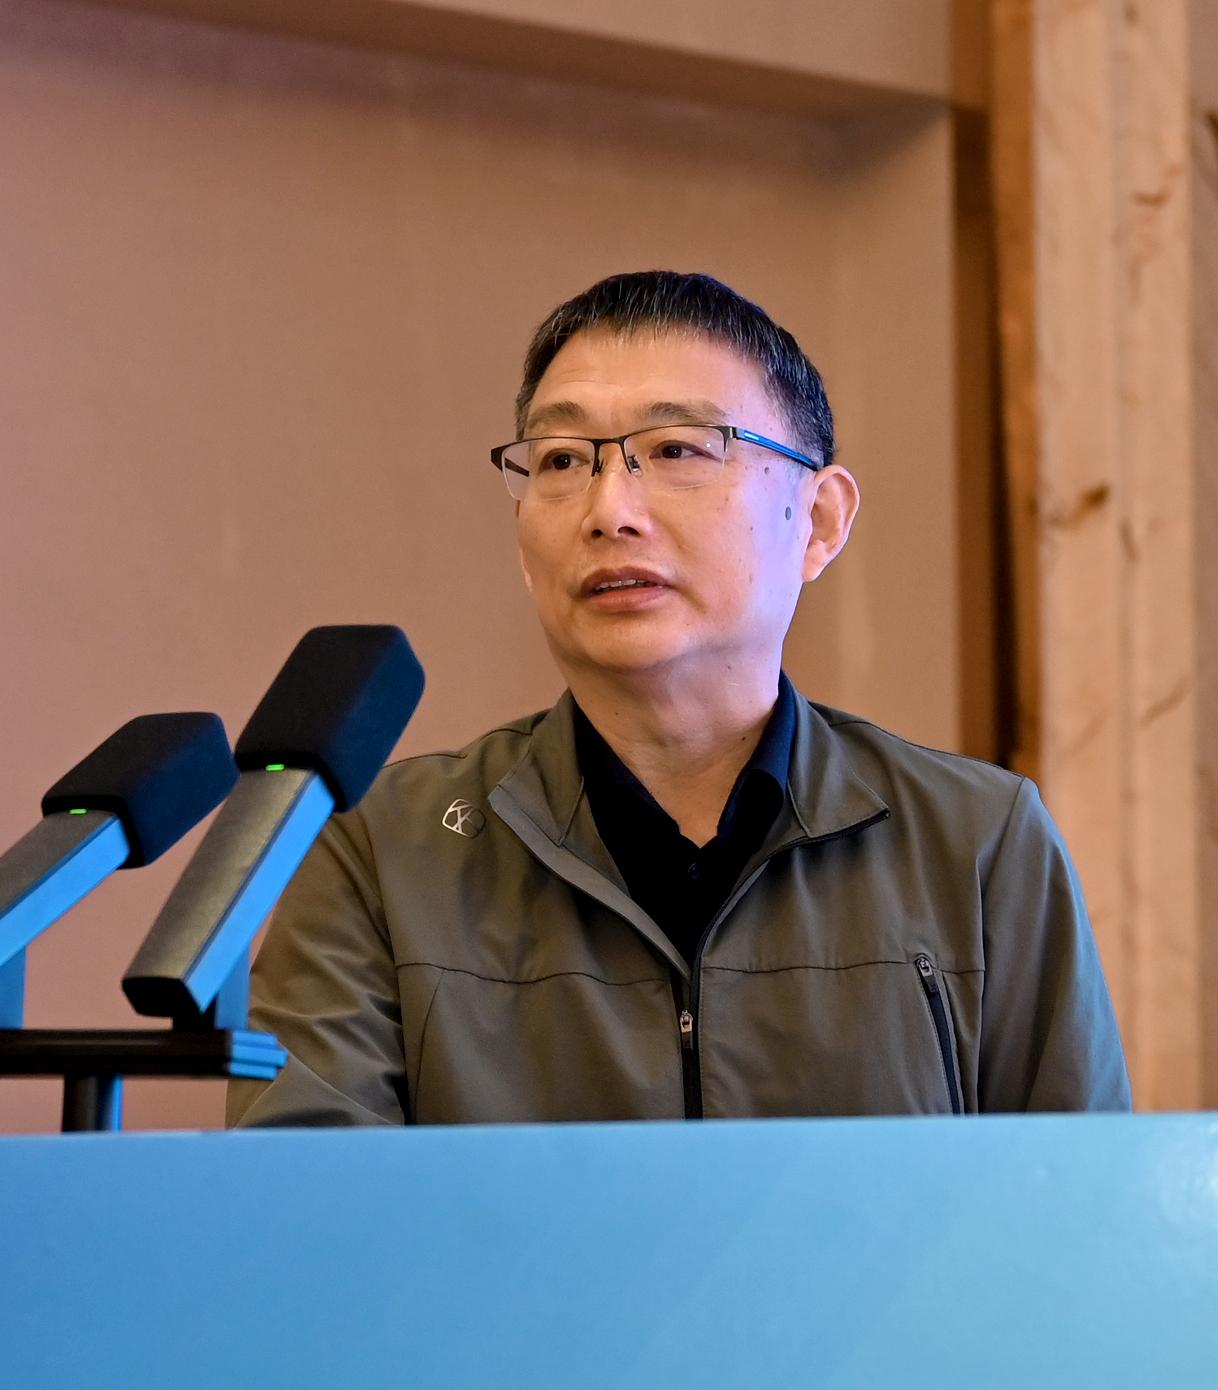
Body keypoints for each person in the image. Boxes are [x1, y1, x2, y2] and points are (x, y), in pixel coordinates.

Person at [230, 270, 1130, 1126]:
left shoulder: (978, 844)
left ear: (818, 520)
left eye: (676, 450)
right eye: (562, 459)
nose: (608, 509)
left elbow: (1081, 1208)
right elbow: (301, 1215)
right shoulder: (378, 854)